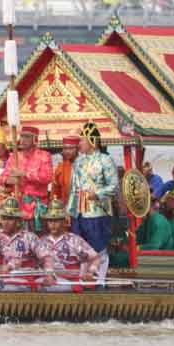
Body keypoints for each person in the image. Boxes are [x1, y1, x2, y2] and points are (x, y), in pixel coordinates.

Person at [66, 122, 118, 282]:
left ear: (92, 141)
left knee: (98, 246)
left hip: (97, 210)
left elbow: (114, 186)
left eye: (82, 140)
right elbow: (73, 189)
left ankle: (99, 279)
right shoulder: (78, 162)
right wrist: (69, 210)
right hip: (79, 210)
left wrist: (98, 194)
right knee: (81, 247)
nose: (79, 143)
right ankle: (83, 278)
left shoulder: (105, 160)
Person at [0, 197, 54, 291]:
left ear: (18, 221)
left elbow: (46, 257)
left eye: (10, 219)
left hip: (23, 278)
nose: (6, 222)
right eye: (4, 218)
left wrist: (49, 274)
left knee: (9, 289)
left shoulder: (29, 237)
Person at [0, 125, 53, 232]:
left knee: (38, 241)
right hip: (17, 207)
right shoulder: (14, 156)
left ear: (35, 139)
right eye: (22, 136)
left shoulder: (44, 156)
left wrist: (25, 174)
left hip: (36, 208)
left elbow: (47, 177)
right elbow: (2, 177)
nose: (22, 140)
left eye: (27, 137)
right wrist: (10, 180)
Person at [40, 199, 100, 292]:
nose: (53, 224)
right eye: (50, 221)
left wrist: (90, 272)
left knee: (49, 288)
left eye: (56, 221)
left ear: (63, 221)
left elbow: (95, 258)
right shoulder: (42, 241)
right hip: (47, 279)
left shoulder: (74, 240)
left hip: (68, 282)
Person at [52, 135, 79, 206]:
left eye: (70, 148)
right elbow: (55, 191)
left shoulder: (86, 165)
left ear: (78, 149)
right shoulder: (60, 167)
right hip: (65, 209)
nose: (67, 151)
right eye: (65, 148)